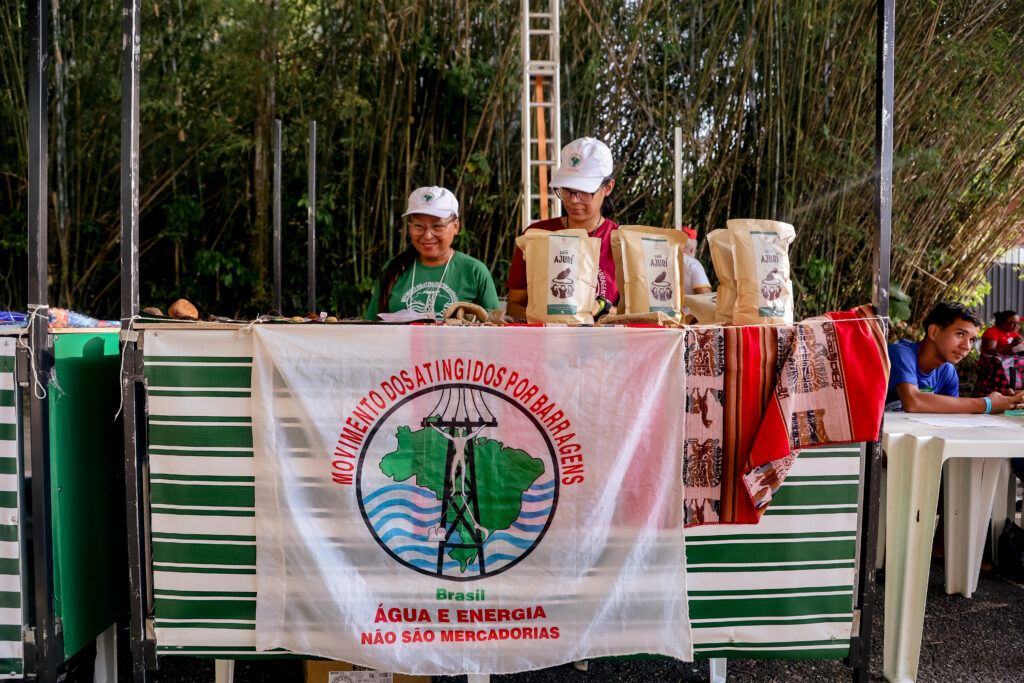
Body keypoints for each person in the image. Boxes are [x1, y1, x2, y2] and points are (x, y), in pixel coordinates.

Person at [506, 137, 619, 320]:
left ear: (607, 188)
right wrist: (543, 318)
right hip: (544, 344)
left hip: (603, 345)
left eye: (584, 191)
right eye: (566, 190)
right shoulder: (537, 236)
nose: (573, 200)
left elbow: (635, 312)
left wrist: (602, 307)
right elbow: (514, 305)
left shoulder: (620, 241)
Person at [365, 187, 499, 320]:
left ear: (456, 226)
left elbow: (497, 327)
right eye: (418, 226)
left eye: (437, 226)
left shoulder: (474, 270)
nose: (427, 235)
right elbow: (371, 326)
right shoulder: (393, 268)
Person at [885, 301, 1024, 413]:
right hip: (872, 444)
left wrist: (999, 403)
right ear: (933, 332)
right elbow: (913, 401)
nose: (967, 347)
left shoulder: (948, 372)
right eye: (960, 334)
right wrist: (987, 404)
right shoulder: (901, 353)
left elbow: (952, 413)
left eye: (972, 340)